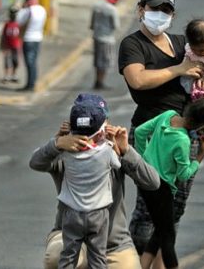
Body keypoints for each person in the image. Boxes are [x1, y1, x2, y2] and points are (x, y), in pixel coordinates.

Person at [117, 0, 204, 261]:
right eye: (154, 9)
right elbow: (138, 79)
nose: (159, 15)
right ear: (141, 9)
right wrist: (178, 69)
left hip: (184, 136)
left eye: (165, 10)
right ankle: (132, 263)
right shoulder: (133, 45)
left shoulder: (181, 44)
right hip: (150, 135)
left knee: (174, 210)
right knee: (149, 209)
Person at [30, 94, 161, 269]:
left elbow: (153, 182)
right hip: (69, 235)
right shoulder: (65, 153)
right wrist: (57, 143)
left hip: (113, 244)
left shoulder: (111, 151)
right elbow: (36, 162)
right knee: (57, 257)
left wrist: (126, 151)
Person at [133, 92, 204, 269]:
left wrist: (145, 161)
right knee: (168, 238)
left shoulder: (168, 115)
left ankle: (143, 265)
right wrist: (199, 158)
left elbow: (139, 132)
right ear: (203, 129)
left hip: (147, 183)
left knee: (160, 231)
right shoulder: (183, 141)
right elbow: (183, 175)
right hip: (163, 190)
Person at [51, 95, 121, 268]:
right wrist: (112, 142)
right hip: (98, 214)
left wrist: (59, 139)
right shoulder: (106, 152)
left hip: (72, 213)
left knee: (68, 257)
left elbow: (46, 157)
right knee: (98, 258)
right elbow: (118, 164)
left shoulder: (66, 152)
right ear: (101, 130)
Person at [91, 0, 122, 89]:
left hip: (96, 36)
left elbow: (92, 23)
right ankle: (100, 82)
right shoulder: (112, 10)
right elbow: (116, 25)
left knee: (97, 60)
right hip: (107, 38)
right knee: (106, 61)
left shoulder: (97, 6)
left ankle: (97, 80)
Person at [16, 0, 47, 91]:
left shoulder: (27, 11)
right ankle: (32, 82)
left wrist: (22, 8)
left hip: (28, 39)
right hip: (38, 38)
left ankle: (30, 85)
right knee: (33, 62)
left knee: (29, 62)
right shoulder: (42, 9)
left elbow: (19, 21)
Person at [0, 5, 22, 83]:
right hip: (7, 45)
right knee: (7, 61)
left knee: (15, 60)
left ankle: (14, 75)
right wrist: (2, 45)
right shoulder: (7, 24)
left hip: (16, 45)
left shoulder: (18, 24)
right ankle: (6, 76)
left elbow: (20, 35)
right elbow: (3, 35)